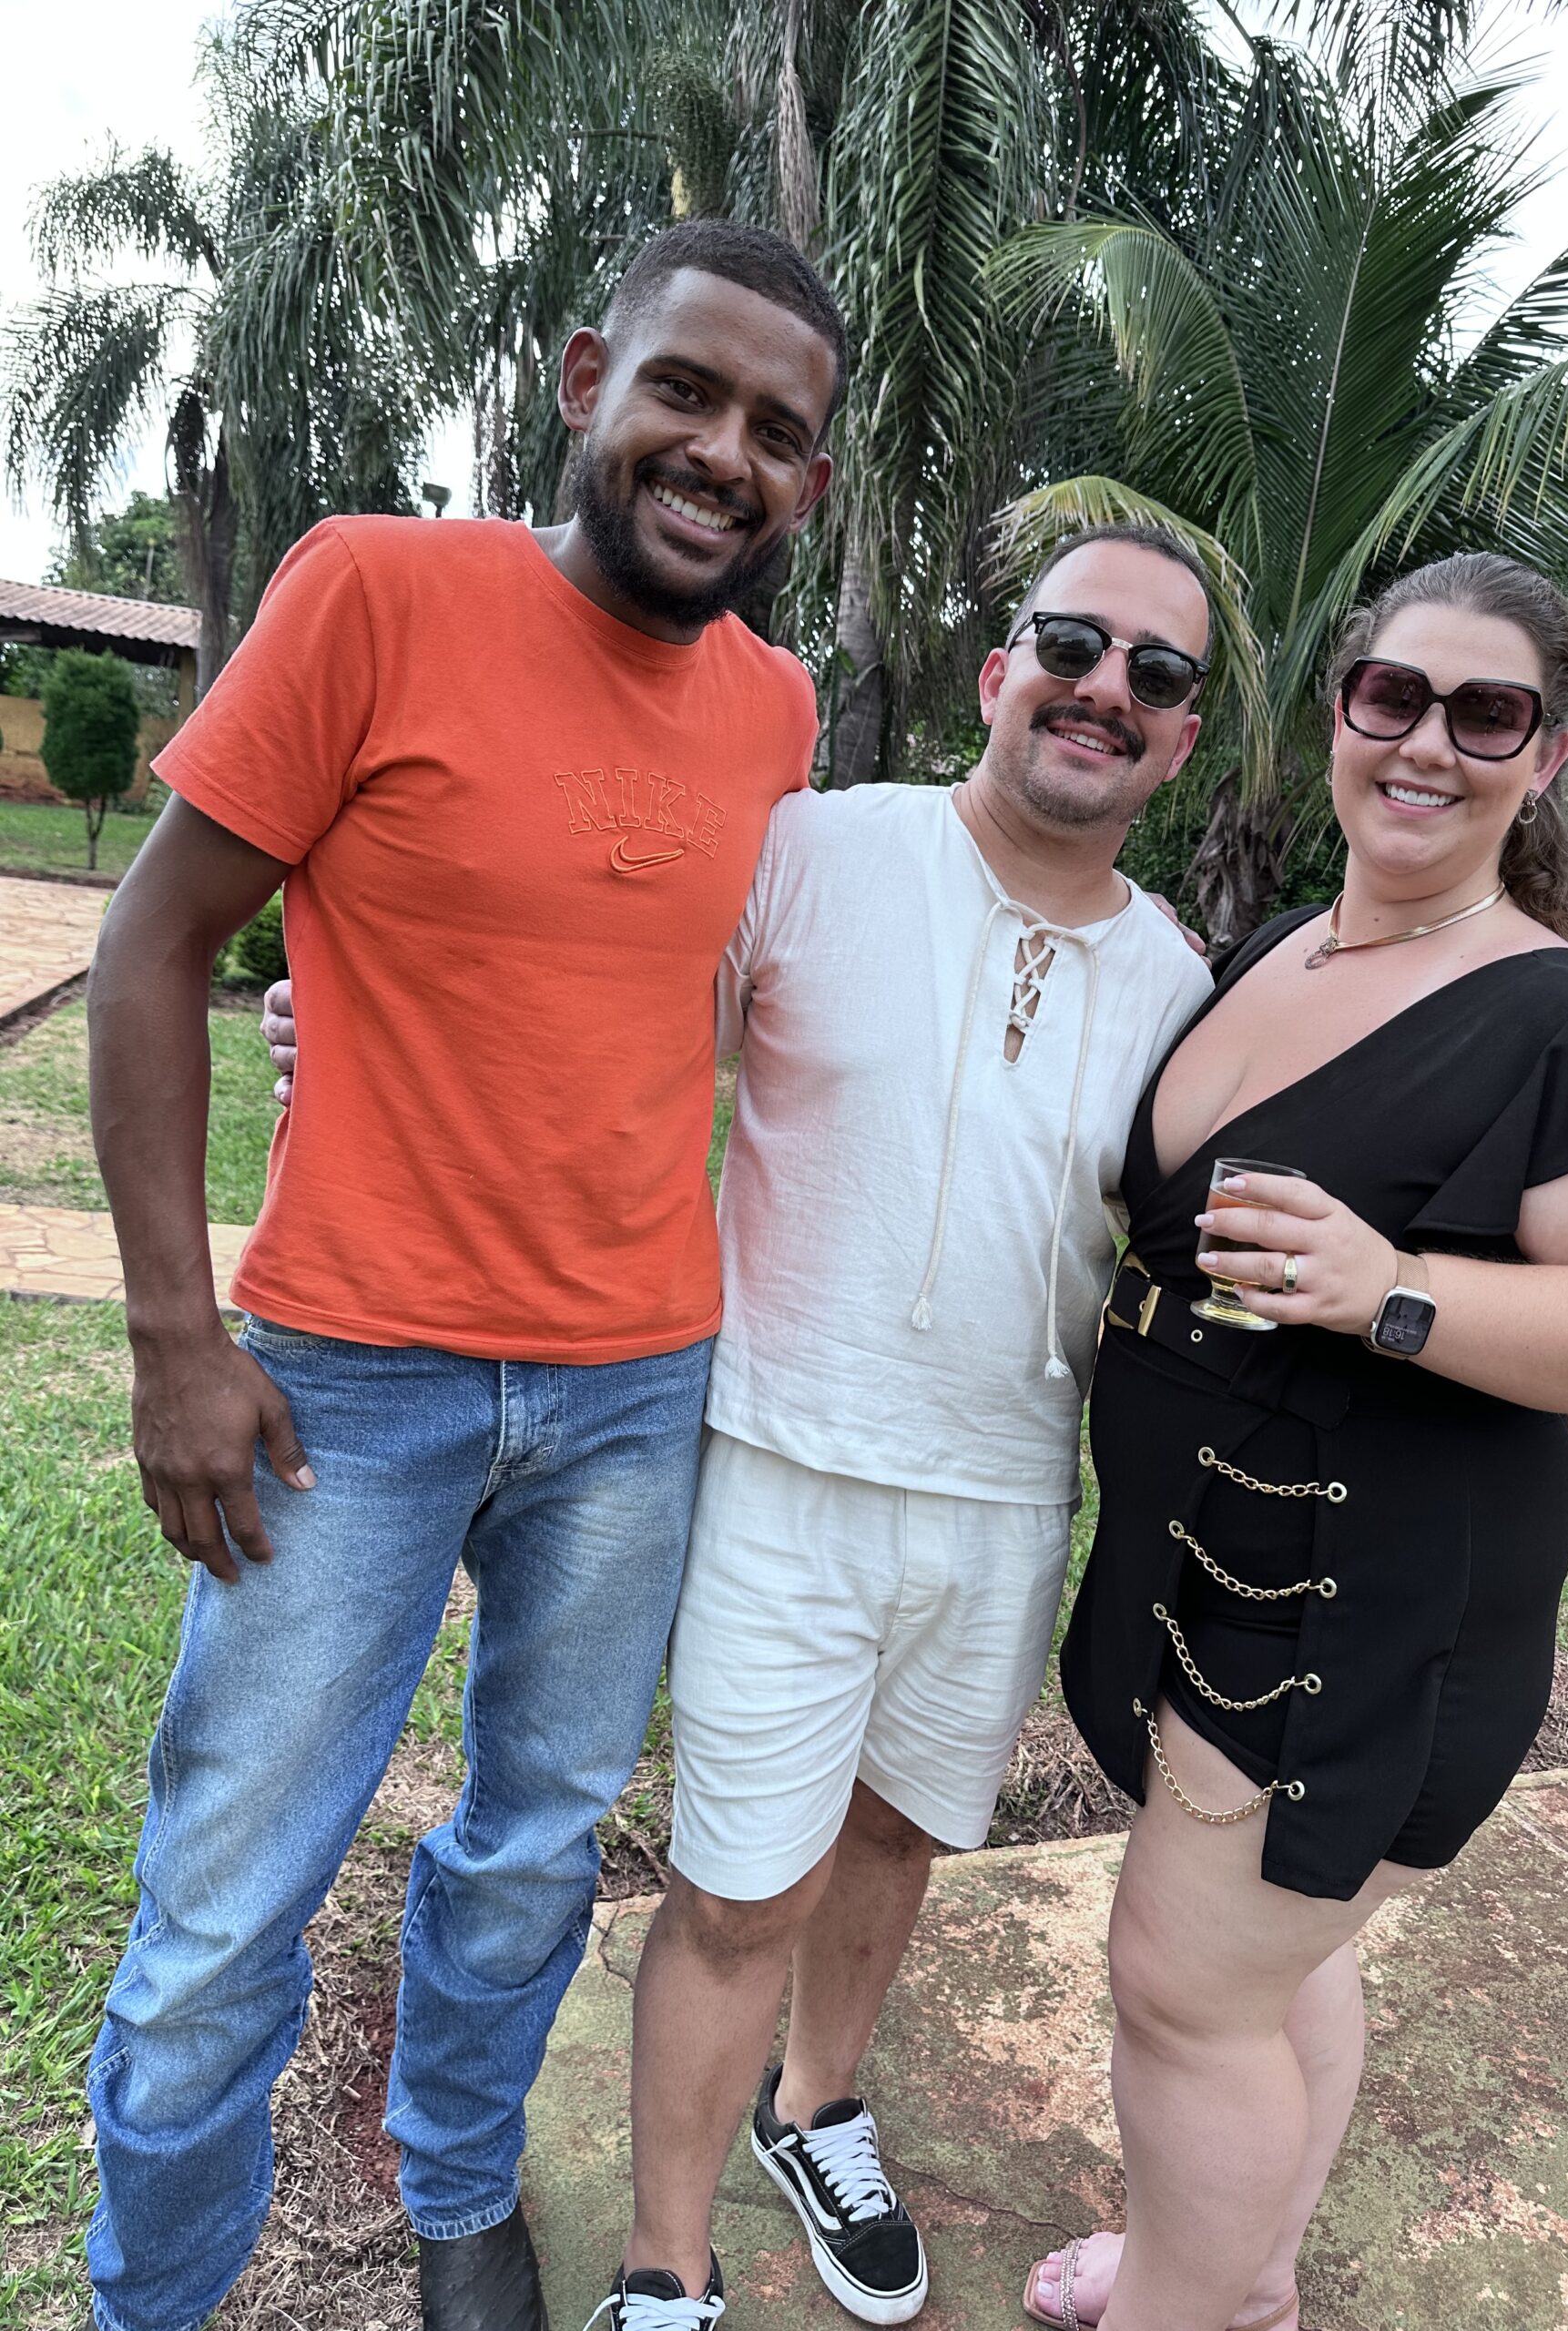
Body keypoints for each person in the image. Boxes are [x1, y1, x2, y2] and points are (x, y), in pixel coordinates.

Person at [262, 522, 1217, 2331]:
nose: (1105, 688)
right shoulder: (818, 849)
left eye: (1154, 675)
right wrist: (368, 1027)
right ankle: (667, 2265)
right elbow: (608, 1018)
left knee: (898, 1839)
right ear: (1001, 670)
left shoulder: (1182, 987)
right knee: (734, 1889)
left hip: (1007, 1498)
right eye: (1073, 644)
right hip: (779, 1461)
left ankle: (819, 2103)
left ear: (1178, 741)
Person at [77, 219, 843, 2331]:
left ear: (811, 485)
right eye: (685, 389)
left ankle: (457, 2190)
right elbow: (152, 944)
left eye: (777, 430)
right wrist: (176, 1336)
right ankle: (152, 2300)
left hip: (635, 1390)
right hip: (347, 1380)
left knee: (531, 1851)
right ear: (589, 379)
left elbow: (672, 987)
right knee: (223, 1914)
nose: (723, 451)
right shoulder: (374, 590)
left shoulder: (775, 708)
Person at [1020, 551, 1568, 2331]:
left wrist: (1396, 1288)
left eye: (1485, 713)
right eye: (1393, 695)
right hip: (1217, 1563)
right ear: (1340, 709)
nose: (1427, 742)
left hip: (1362, 1614)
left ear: (1544, 758)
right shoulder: (1281, 943)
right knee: (1276, 1960)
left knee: (1185, 1994)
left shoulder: (1563, 1026)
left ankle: (1187, 2303)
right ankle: (1240, 2268)